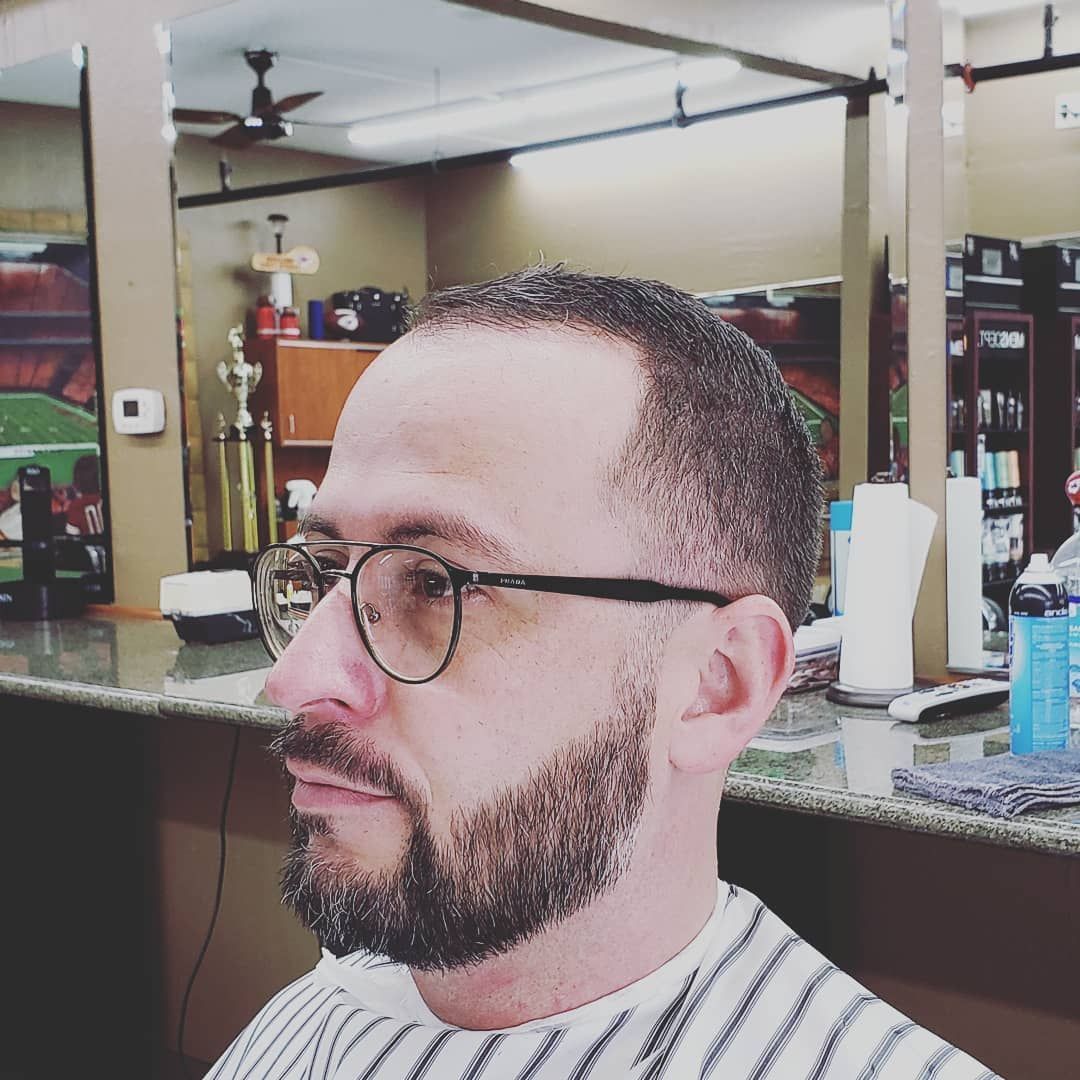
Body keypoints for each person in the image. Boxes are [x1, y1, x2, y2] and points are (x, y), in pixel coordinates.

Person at [209, 267, 997, 1079]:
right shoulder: (303, 1026)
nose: (297, 677)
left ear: (717, 685)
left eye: (437, 584)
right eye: (326, 569)